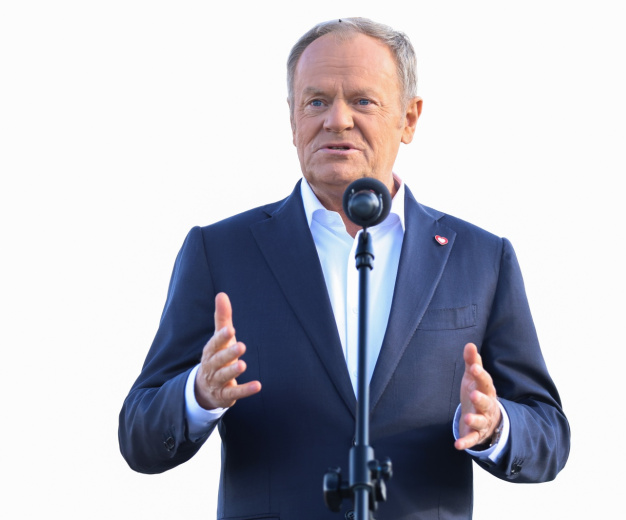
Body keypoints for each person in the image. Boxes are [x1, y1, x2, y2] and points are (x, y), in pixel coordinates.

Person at [119, 17, 570, 520]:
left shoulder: (481, 259)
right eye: (316, 101)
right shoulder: (221, 251)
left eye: (362, 101)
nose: (337, 120)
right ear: (292, 119)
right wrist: (198, 395)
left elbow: (548, 434)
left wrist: (495, 424)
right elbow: (139, 434)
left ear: (409, 119)